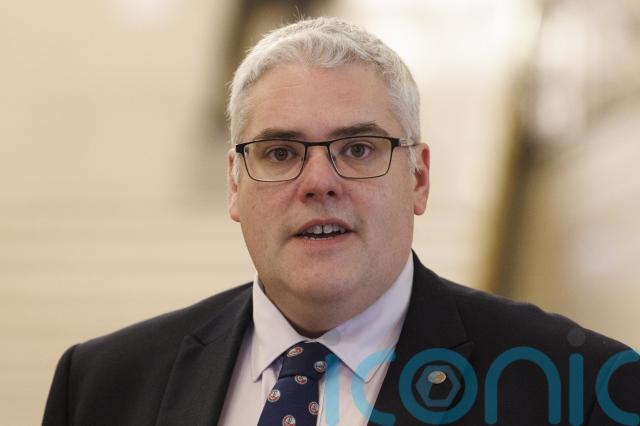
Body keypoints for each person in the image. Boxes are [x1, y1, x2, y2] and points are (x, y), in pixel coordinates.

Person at [43, 17, 639, 426]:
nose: (318, 181)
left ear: (419, 178)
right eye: (280, 153)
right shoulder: (99, 386)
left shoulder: (581, 388)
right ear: (234, 184)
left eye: (357, 149)